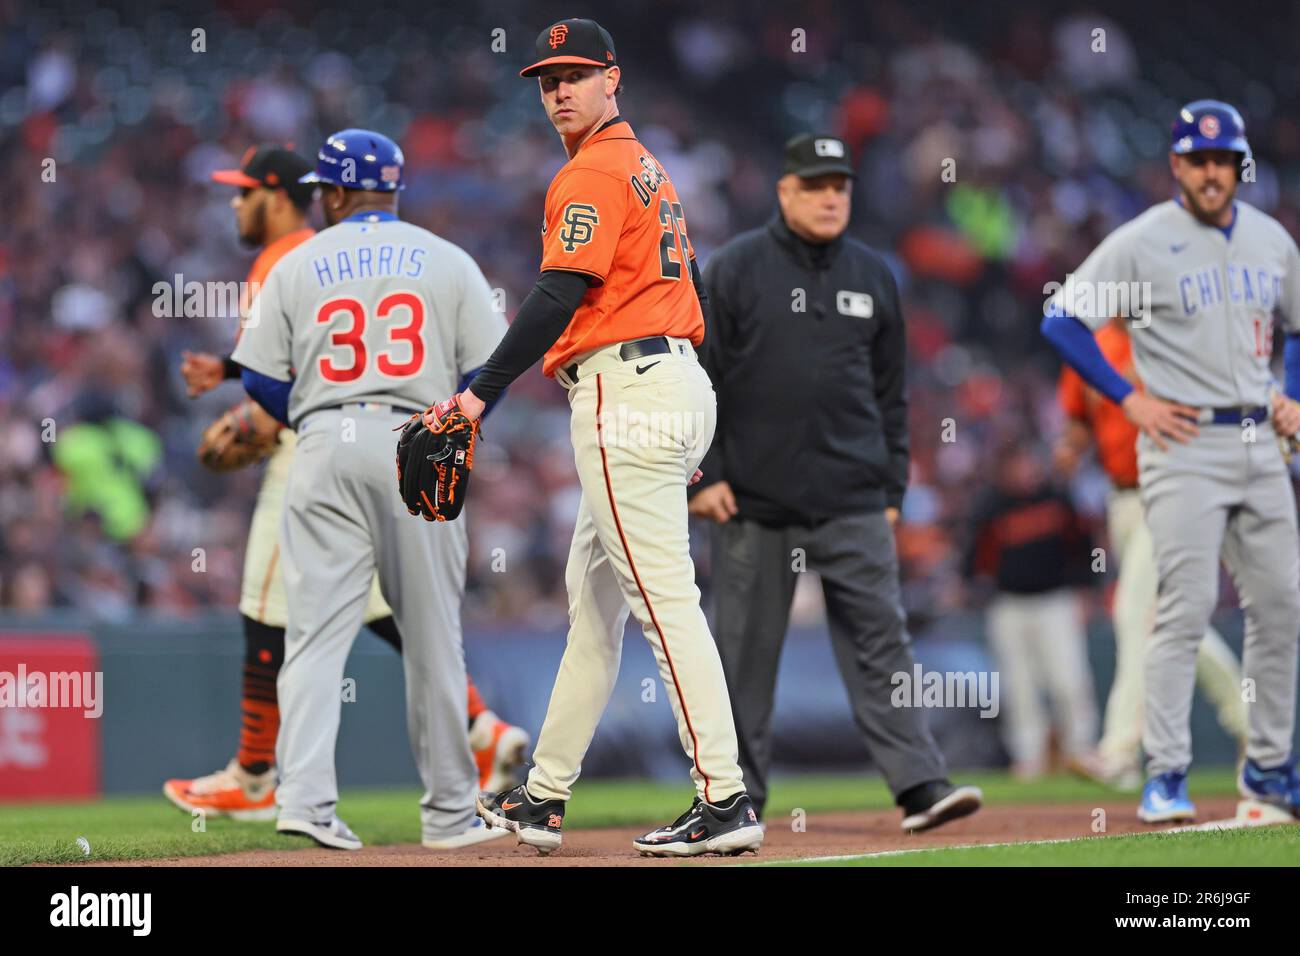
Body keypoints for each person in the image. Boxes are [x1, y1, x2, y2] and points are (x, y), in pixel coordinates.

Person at [435, 18, 762, 858]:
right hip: (667, 380)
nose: (559, 91)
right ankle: (544, 795)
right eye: (548, 80)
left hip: (630, 389)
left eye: (575, 74)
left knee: (662, 601)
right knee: (595, 612)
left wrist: (480, 393)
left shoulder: (593, 171)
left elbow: (555, 295)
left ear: (613, 77)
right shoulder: (647, 166)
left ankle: (725, 796)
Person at [164, 146, 528, 823]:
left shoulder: (292, 260)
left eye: (243, 193)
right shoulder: (405, 254)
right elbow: (485, 360)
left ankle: (256, 774)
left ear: (284, 194)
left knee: (271, 604)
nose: (234, 204)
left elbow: (291, 379)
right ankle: (480, 734)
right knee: (392, 609)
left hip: (318, 451)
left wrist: (257, 412)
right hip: (396, 444)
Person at [690, 133, 981, 832]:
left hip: (853, 498)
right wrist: (706, 474)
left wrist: (892, 489)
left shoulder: (874, 274)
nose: (830, 197)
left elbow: (891, 394)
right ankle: (736, 800)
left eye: (840, 186)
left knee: (884, 643)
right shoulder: (732, 270)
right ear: (784, 190)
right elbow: (695, 382)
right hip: (753, 502)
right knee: (742, 661)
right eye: (816, 185)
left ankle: (919, 785)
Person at [1042, 100, 1300, 822]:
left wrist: (1294, 397)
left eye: (1223, 160)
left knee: (1281, 608)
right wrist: (1128, 399)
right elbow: (1061, 318)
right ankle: (1166, 773)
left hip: (1261, 441)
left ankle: (1272, 771)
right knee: (1178, 611)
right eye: (1199, 159)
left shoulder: (1272, 240)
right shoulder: (1144, 239)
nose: (1212, 172)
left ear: (1237, 166)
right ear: (1178, 166)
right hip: (1182, 445)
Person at [1055, 318, 1247, 790]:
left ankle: (1119, 752)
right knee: (1173, 624)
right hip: (1120, 498)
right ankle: (1254, 726)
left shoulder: (1175, 339)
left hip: (1172, 489)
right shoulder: (1091, 346)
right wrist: (1070, 450)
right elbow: (1079, 419)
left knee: (1133, 610)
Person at [966, 443, 1098, 780]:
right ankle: (1029, 757)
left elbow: (1084, 548)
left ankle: (1080, 751)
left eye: (1028, 463)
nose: (1025, 471)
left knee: (1068, 680)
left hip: (1056, 601)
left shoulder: (1057, 499)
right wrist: (975, 588)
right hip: (1009, 605)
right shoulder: (990, 505)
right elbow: (971, 557)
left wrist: (1086, 591)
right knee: (1019, 686)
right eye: (1017, 464)